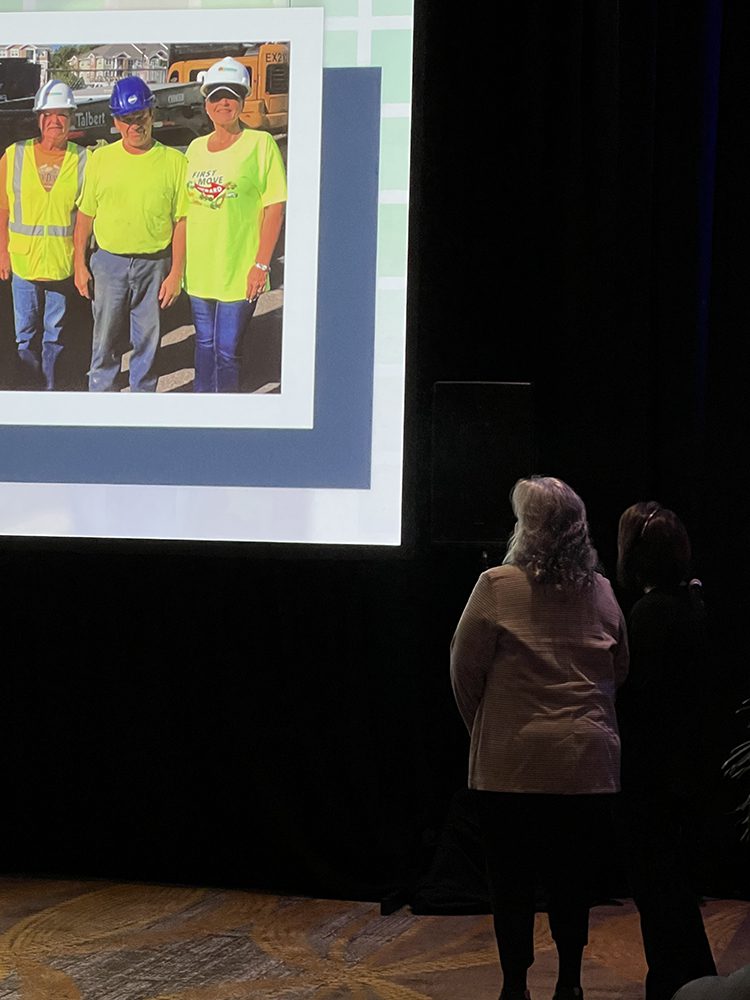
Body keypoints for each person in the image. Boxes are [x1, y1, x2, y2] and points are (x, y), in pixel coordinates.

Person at [450, 476, 629, 1000]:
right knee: (573, 882)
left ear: (527, 529)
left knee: (511, 885)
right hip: (586, 765)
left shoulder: (496, 585)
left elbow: (463, 671)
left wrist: (494, 731)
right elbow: (619, 668)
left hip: (512, 766)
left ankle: (514, 987)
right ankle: (570, 983)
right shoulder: (603, 592)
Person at [616, 503, 719, 1000]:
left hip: (653, 778)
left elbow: (639, 701)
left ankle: (674, 985)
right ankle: (690, 981)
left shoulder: (650, 614)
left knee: (659, 893)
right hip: (685, 771)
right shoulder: (692, 605)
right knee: (674, 891)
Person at [73, 76, 186, 392]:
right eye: (126, 119)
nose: (135, 125)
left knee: (147, 341)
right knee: (105, 340)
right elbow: (85, 216)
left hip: (154, 265)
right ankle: (102, 397)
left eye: (140, 116)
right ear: (116, 122)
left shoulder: (175, 162)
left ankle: (142, 400)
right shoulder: (101, 160)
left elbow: (182, 221)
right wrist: (79, 264)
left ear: (152, 114)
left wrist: (176, 273)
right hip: (109, 264)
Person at [182, 57, 286, 393]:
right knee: (204, 344)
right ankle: (202, 409)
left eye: (231, 95)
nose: (223, 102)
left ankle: (227, 413)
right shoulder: (195, 149)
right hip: (200, 272)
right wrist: (177, 267)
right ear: (206, 104)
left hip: (239, 271)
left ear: (242, 101)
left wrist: (261, 265)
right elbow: (183, 212)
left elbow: (274, 208)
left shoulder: (260, 144)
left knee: (226, 350)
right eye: (216, 96)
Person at [0, 80, 87, 389]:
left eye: (62, 114)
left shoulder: (83, 159)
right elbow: (3, 209)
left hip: (61, 264)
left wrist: (80, 262)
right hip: (24, 264)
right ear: (39, 118)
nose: (55, 121)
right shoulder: (14, 155)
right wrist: (2, 252)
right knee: (25, 335)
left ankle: (50, 390)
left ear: (71, 118)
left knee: (55, 334)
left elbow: (84, 217)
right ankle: (29, 391)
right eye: (48, 114)